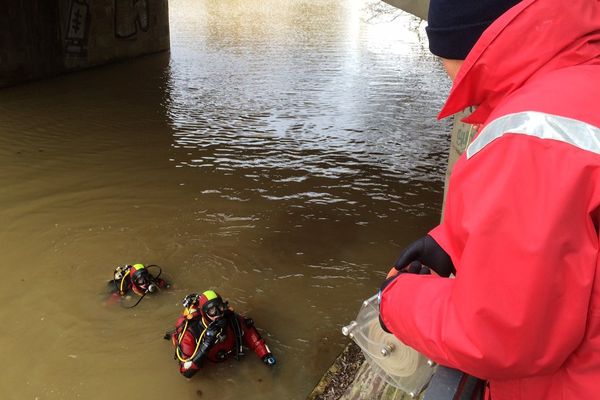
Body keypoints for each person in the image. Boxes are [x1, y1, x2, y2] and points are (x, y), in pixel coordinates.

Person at [378, 1, 600, 399]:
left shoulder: (532, 136)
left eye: (440, 57)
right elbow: (562, 227)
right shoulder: (582, 81)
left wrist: (394, 304)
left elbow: (498, 338)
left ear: (471, 43)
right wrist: (450, 240)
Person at [167, 290, 276, 378]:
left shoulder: (232, 319)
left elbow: (252, 336)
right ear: (204, 313)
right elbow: (186, 373)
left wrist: (266, 355)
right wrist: (206, 345)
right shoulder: (191, 334)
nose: (218, 314)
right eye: (212, 311)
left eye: (220, 307)